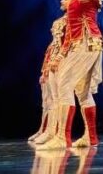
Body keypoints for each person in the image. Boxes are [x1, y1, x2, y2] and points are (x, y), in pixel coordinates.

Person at [37, 0, 103, 149]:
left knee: (64, 85)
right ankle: (91, 137)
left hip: (86, 42)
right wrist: (62, 54)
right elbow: (69, 32)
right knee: (82, 91)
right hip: (80, 43)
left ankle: (62, 138)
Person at [29, 16, 67, 145]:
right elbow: (48, 59)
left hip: (57, 71)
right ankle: (43, 130)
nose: (52, 30)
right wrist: (44, 72)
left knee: (54, 101)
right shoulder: (52, 45)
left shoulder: (62, 45)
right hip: (48, 72)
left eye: (55, 28)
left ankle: (51, 131)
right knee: (46, 103)